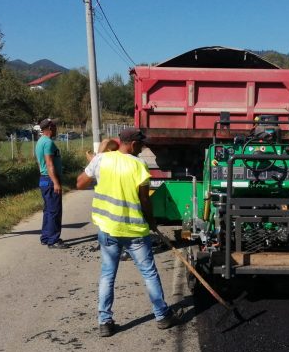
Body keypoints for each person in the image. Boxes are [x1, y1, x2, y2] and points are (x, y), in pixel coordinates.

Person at [77, 128, 182, 337]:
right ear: (133, 144)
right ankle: (162, 315)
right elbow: (144, 201)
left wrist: (95, 162)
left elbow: (80, 183)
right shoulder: (139, 165)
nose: (143, 148)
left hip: (108, 229)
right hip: (135, 232)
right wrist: (152, 223)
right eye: (141, 145)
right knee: (149, 273)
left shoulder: (101, 160)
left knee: (108, 274)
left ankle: (104, 322)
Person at [35, 118, 68, 249]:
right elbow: (49, 163)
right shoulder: (48, 142)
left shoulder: (40, 142)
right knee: (54, 211)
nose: (56, 128)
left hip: (44, 179)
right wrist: (56, 182)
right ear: (49, 128)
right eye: (54, 125)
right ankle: (53, 240)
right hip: (50, 179)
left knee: (48, 210)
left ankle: (45, 237)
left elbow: (40, 163)